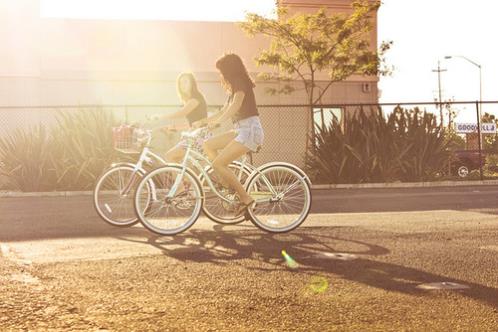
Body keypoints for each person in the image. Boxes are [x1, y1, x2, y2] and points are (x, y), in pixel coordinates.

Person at [202, 53, 264, 217]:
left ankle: (246, 199)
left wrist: (219, 122)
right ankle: (226, 181)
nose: (221, 75)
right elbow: (223, 110)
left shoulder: (239, 82)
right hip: (241, 130)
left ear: (229, 69)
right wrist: (203, 122)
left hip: (250, 130)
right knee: (208, 145)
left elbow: (236, 105)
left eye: (222, 71)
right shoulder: (234, 86)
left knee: (218, 164)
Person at [148, 72, 210, 164]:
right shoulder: (191, 99)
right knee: (178, 162)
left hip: (199, 136)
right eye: (180, 83)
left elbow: (181, 113)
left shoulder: (195, 99)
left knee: (170, 156)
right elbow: (192, 124)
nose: (182, 85)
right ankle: (183, 179)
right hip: (195, 135)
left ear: (192, 83)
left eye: (185, 82)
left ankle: (181, 179)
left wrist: (160, 116)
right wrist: (174, 127)